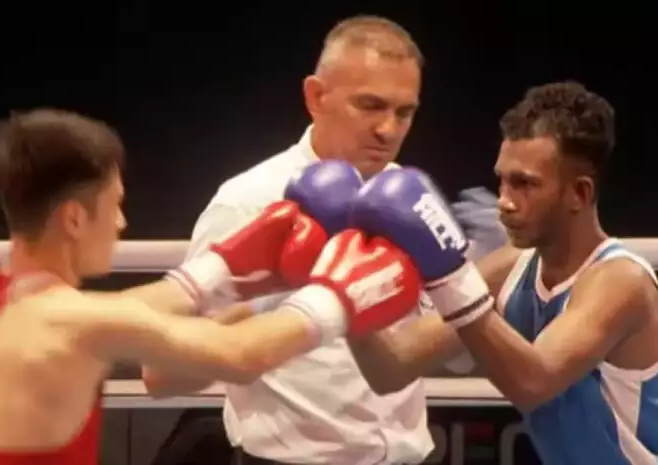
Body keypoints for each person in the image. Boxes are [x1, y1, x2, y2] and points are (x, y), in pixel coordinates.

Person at [0, 109, 427, 465]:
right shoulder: (74, 323)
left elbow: (120, 310)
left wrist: (221, 269)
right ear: (75, 218)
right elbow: (239, 355)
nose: (122, 222)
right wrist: (339, 294)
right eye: (115, 204)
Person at [141, 15, 505, 465]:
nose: (388, 129)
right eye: (370, 105)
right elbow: (162, 375)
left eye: (404, 112)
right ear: (316, 97)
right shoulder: (249, 200)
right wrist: (270, 299)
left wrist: (473, 281)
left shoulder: (409, 198)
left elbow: (449, 357)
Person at [347, 81, 658, 464]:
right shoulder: (510, 268)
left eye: (524, 184)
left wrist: (448, 273)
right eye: (503, 180)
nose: (505, 201)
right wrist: (348, 294)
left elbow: (534, 381)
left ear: (579, 193)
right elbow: (391, 368)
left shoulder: (620, 281)